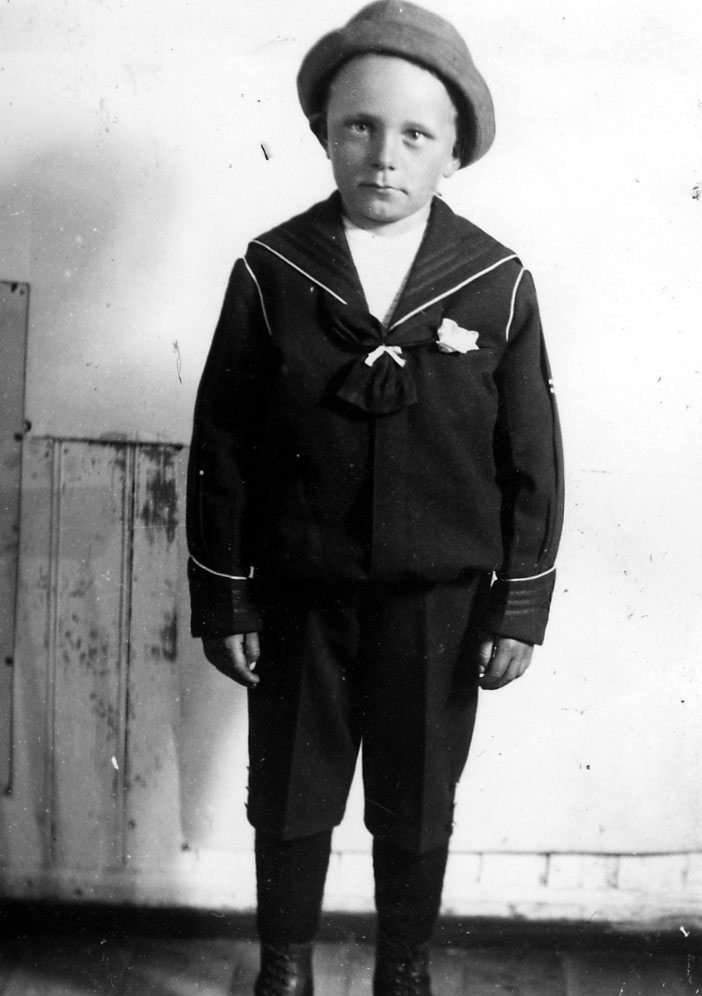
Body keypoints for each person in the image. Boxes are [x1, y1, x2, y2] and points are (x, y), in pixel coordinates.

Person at [186, 2, 564, 993]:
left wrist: (518, 606)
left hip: (438, 606)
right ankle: (285, 968)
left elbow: (533, 459)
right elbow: (222, 443)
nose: (384, 157)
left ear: (455, 152)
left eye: (415, 135)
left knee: (418, 798)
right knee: (291, 795)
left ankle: (405, 969)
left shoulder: (495, 283)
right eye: (359, 125)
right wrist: (226, 596)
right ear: (323, 131)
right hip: (300, 598)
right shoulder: (273, 271)